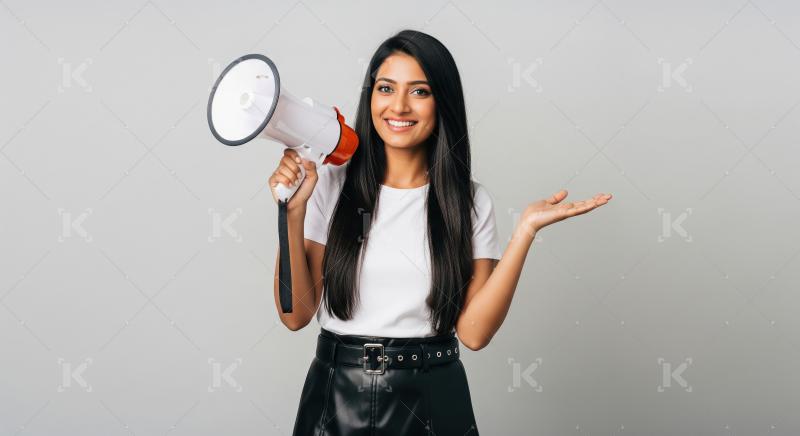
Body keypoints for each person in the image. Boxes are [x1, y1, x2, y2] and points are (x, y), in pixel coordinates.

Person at [268, 29, 612, 436]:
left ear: (441, 102)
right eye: (385, 88)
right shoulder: (330, 184)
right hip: (334, 395)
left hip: (432, 396)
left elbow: (474, 334)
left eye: (419, 92)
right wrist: (292, 212)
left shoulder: (467, 202)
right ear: (370, 96)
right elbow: (296, 316)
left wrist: (525, 233)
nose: (398, 106)